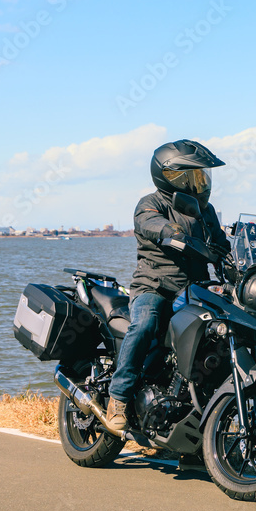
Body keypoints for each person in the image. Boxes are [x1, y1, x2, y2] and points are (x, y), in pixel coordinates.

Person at [106, 139, 231, 431]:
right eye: (193, 175)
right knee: (145, 324)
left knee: (223, 334)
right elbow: (149, 224)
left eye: (202, 175)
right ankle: (119, 398)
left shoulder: (206, 211)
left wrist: (238, 267)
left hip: (195, 290)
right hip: (155, 286)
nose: (200, 181)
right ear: (171, 175)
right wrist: (170, 230)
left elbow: (221, 246)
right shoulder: (151, 204)